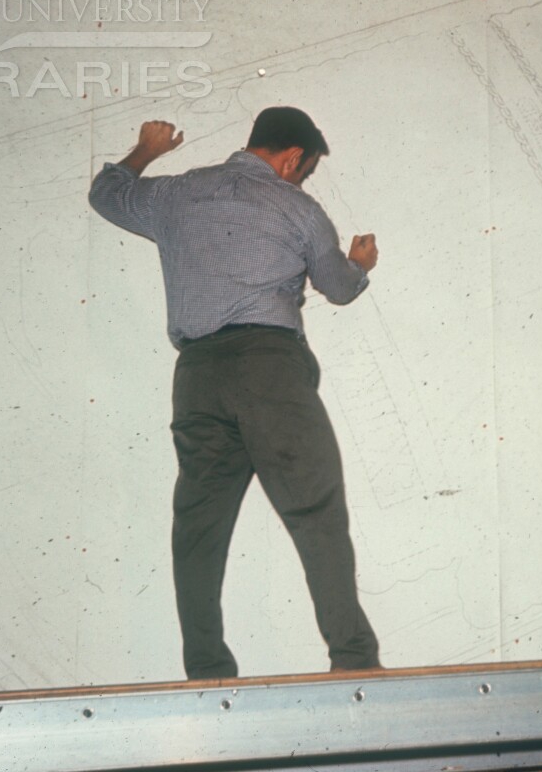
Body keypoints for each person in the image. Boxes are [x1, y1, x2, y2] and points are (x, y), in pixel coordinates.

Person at [89, 106, 381, 678]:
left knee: (199, 526)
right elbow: (338, 289)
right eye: (304, 169)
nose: (301, 180)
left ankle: (206, 669)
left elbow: (106, 195)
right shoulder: (297, 207)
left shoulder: (177, 193)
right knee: (315, 511)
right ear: (292, 157)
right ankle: (354, 663)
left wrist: (145, 152)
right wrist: (358, 263)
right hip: (268, 370)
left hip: (197, 374)